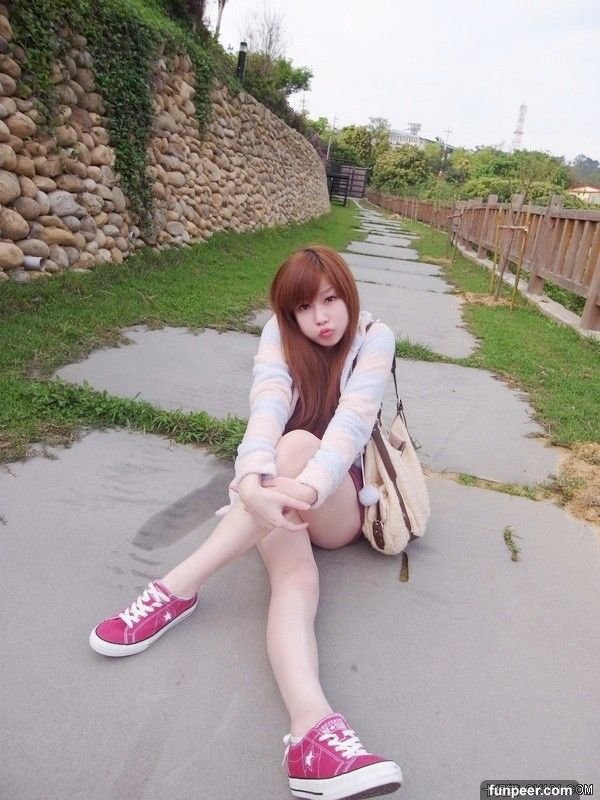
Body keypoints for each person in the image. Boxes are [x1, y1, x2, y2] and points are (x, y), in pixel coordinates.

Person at [89, 245, 403, 799]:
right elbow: (267, 407)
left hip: (337, 502)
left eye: (331, 300)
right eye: (304, 307)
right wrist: (254, 479)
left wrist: (290, 488)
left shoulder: (376, 338)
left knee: (298, 444)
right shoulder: (277, 337)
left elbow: (351, 425)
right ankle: (312, 734)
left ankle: (175, 588)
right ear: (288, 313)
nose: (321, 318)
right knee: (295, 580)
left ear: (349, 295)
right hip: (278, 493)